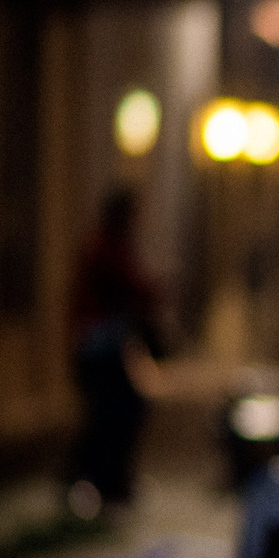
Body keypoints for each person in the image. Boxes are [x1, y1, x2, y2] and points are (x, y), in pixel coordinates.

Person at [66, 188, 164, 515]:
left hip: (101, 344)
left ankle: (105, 480)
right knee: (115, 412)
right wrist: (154, 289)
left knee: (116, 411)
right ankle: (95, 480)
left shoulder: (109, 246)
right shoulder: (105, 247)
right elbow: (130, 286)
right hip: (98, 345)